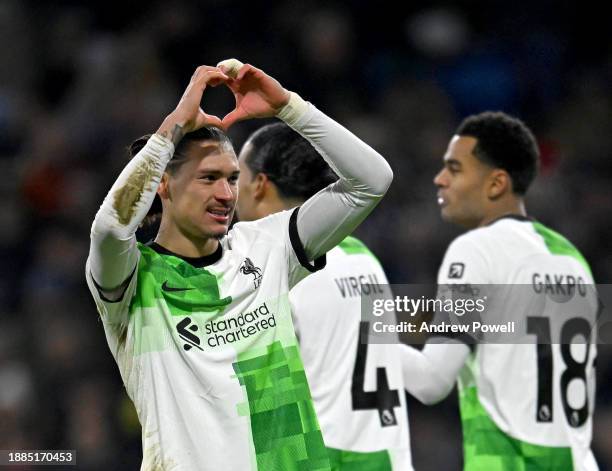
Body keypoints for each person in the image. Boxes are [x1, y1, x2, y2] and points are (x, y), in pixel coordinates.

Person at [85, 59, 393, 470]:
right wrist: (172, 127)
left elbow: (371, 181)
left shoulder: (266, 247)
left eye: (232, 178)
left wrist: (289, 107)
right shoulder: (134, 280)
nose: (227, 194)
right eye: (208, 177)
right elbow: (109, 229)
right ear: (163, 184)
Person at [400, 111, 598, 470]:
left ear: (496, 184)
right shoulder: (572, 259)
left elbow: (432, 381)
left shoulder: (477, 249)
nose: (440, 179)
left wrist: (361, 331)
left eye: (454, 169)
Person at [236, 122, 413, 470]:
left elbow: (267, 404)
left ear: (259, 185)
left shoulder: (274, 269)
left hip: (327, 459)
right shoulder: (364, 258)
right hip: (389, 459)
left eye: (236, 177)